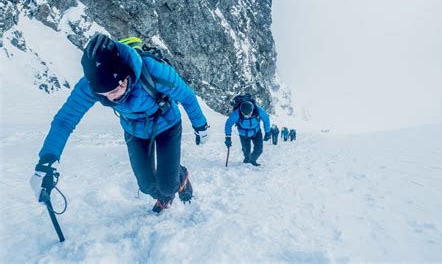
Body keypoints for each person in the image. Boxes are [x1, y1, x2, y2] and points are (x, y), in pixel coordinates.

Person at [29, 34, 210, 214]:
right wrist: (47, 161)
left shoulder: (155, 72)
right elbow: (65, 120)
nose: (111, 98)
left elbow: (187, 96)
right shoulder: (91, 84)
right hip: (134, 130)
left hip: (166, 124)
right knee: (146, 185)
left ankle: (179, 177)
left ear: (126, 75)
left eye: (115, 90)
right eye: (103, 94)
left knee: (168, 185)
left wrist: (200, 126)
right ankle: (164, 192)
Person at [224, 95, 271, 166]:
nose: (247, 116)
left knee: (259, 150)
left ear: (252, 110)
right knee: (246, 150)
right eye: (244, 115)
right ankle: (247, 161)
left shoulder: (258, 110)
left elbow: (266, 119)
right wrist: (228, 137)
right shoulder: (237, 113)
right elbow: (229, 124)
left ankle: (252, 160)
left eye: (249, 114)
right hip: (243, 134)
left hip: (256, 132)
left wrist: (267, 132)